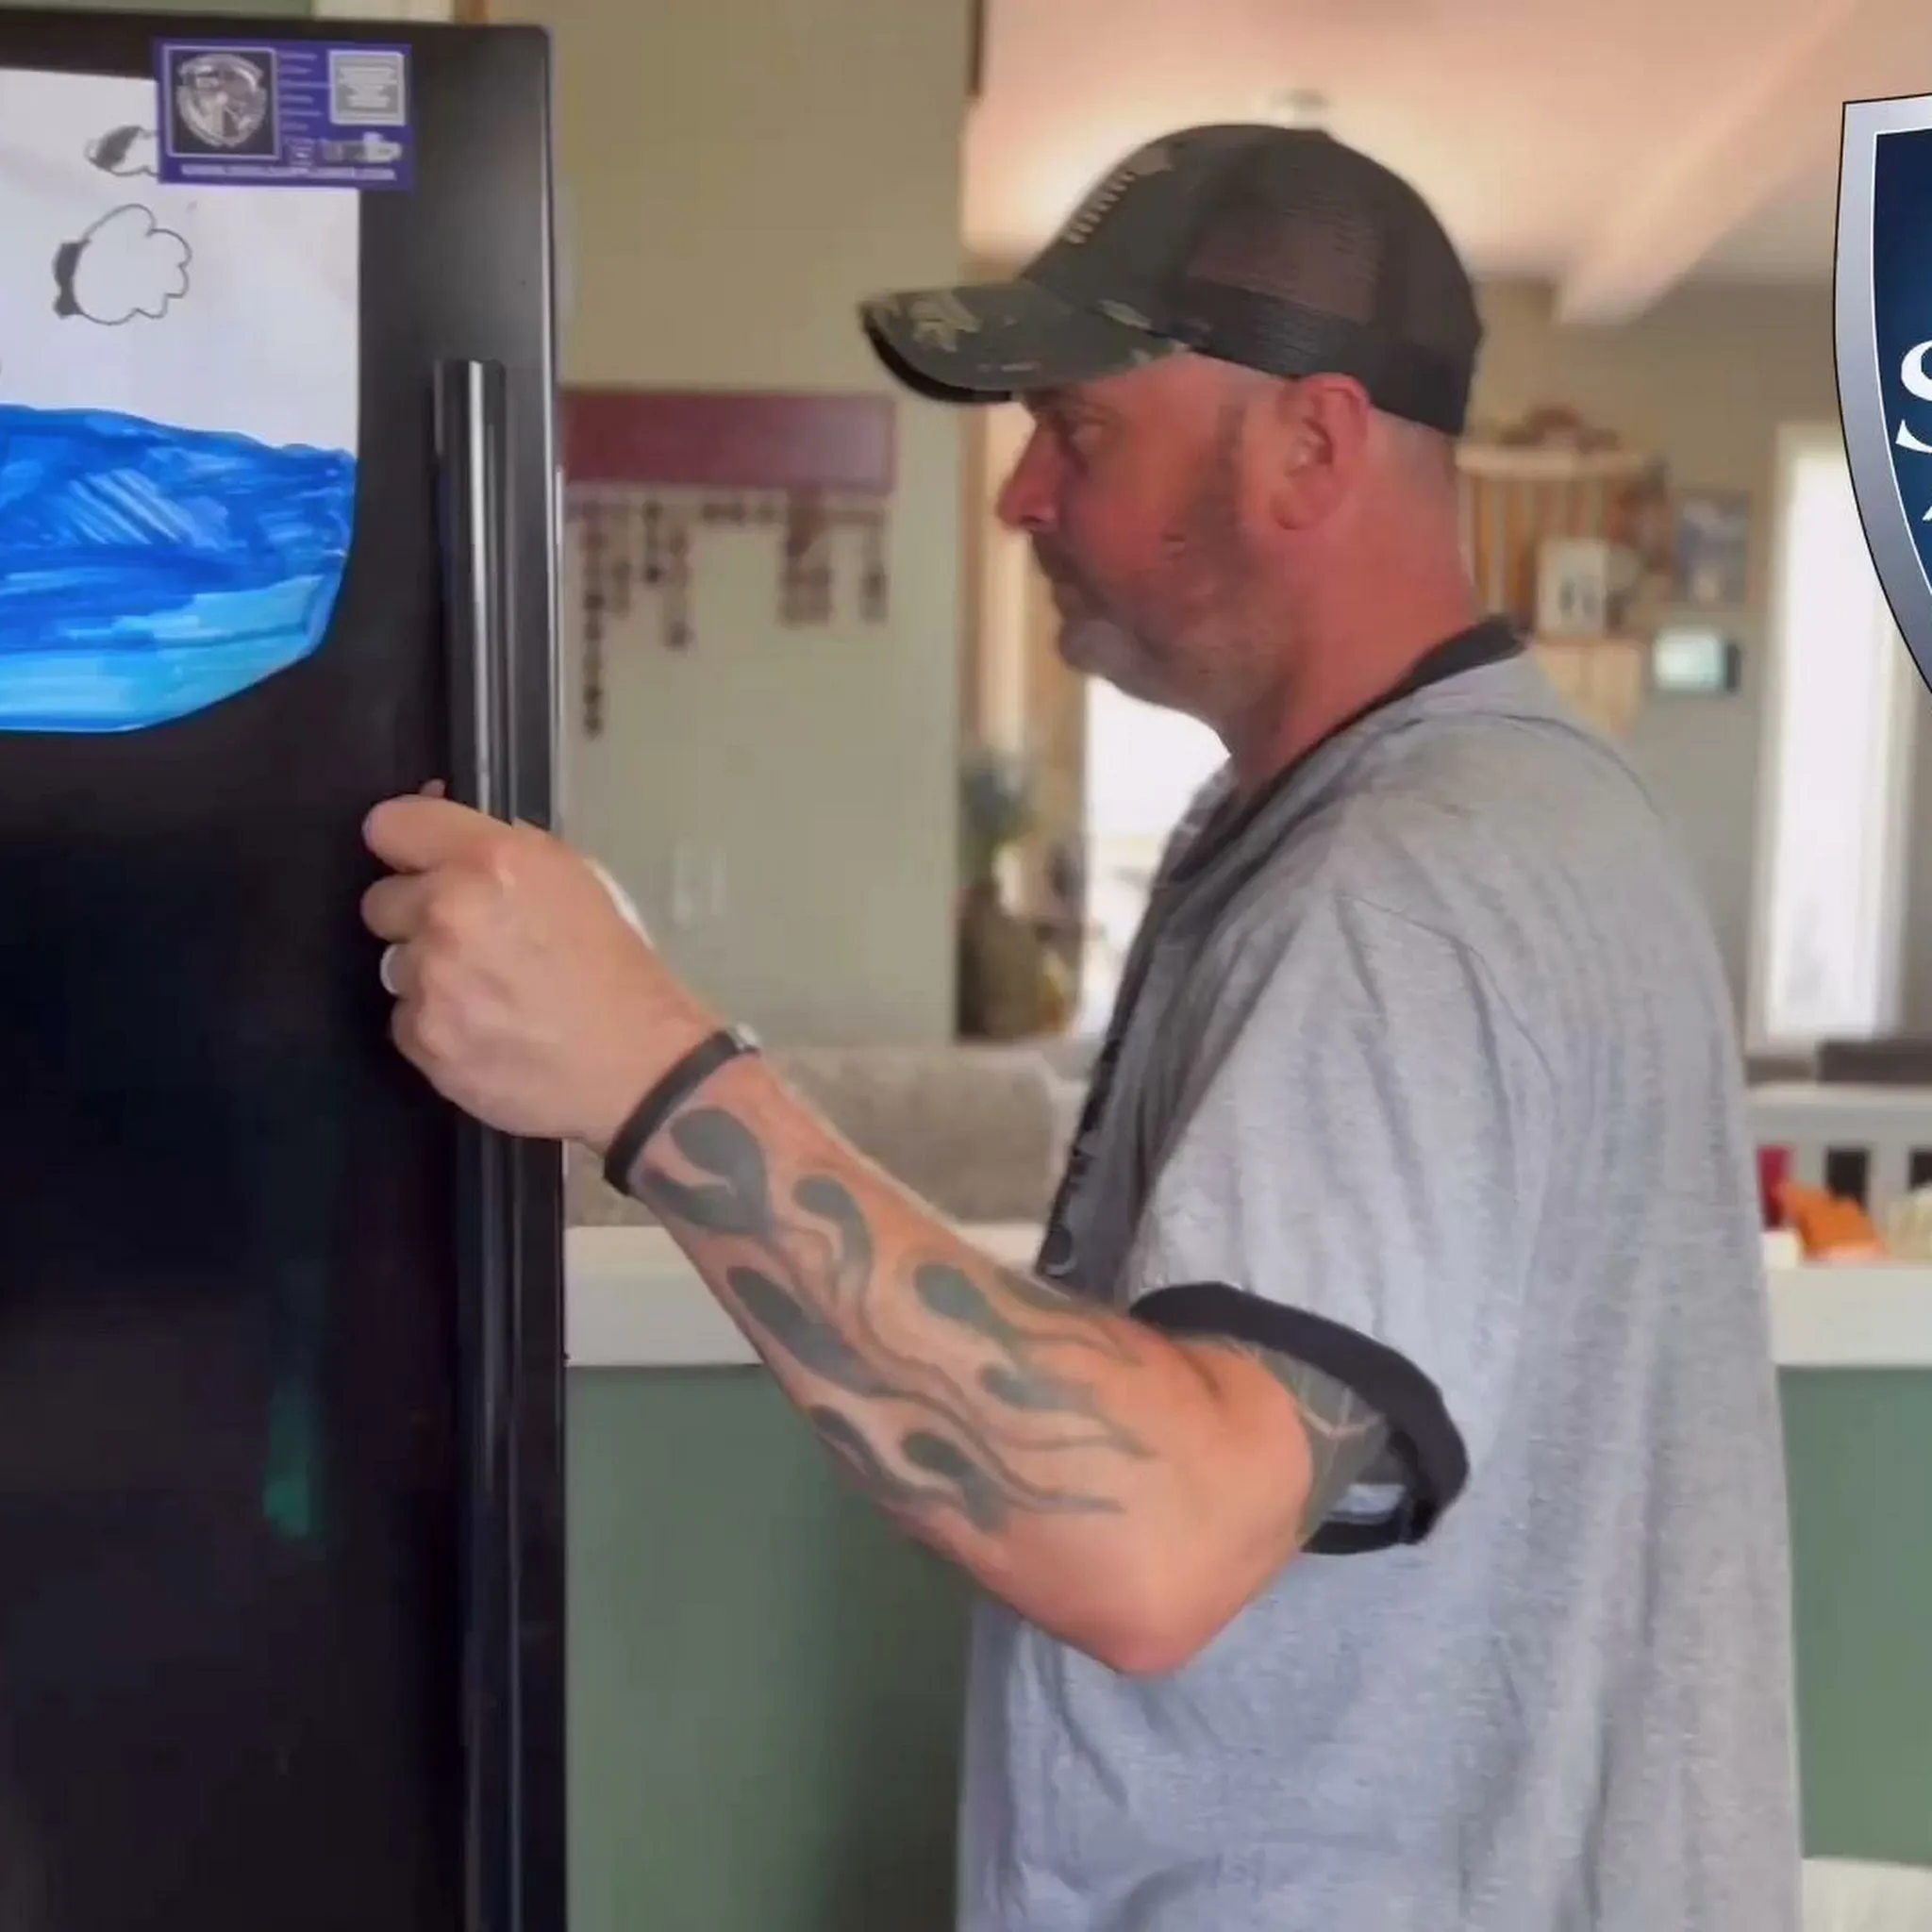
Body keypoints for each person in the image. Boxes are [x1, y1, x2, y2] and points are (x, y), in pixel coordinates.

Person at [360, 125, 1802, 1931]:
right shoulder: (1385, 820)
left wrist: (652, 1077)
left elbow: (1152, 1540)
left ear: (1313, 445)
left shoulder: (1421, 877)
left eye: (1080, 430)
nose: (1021, 497)